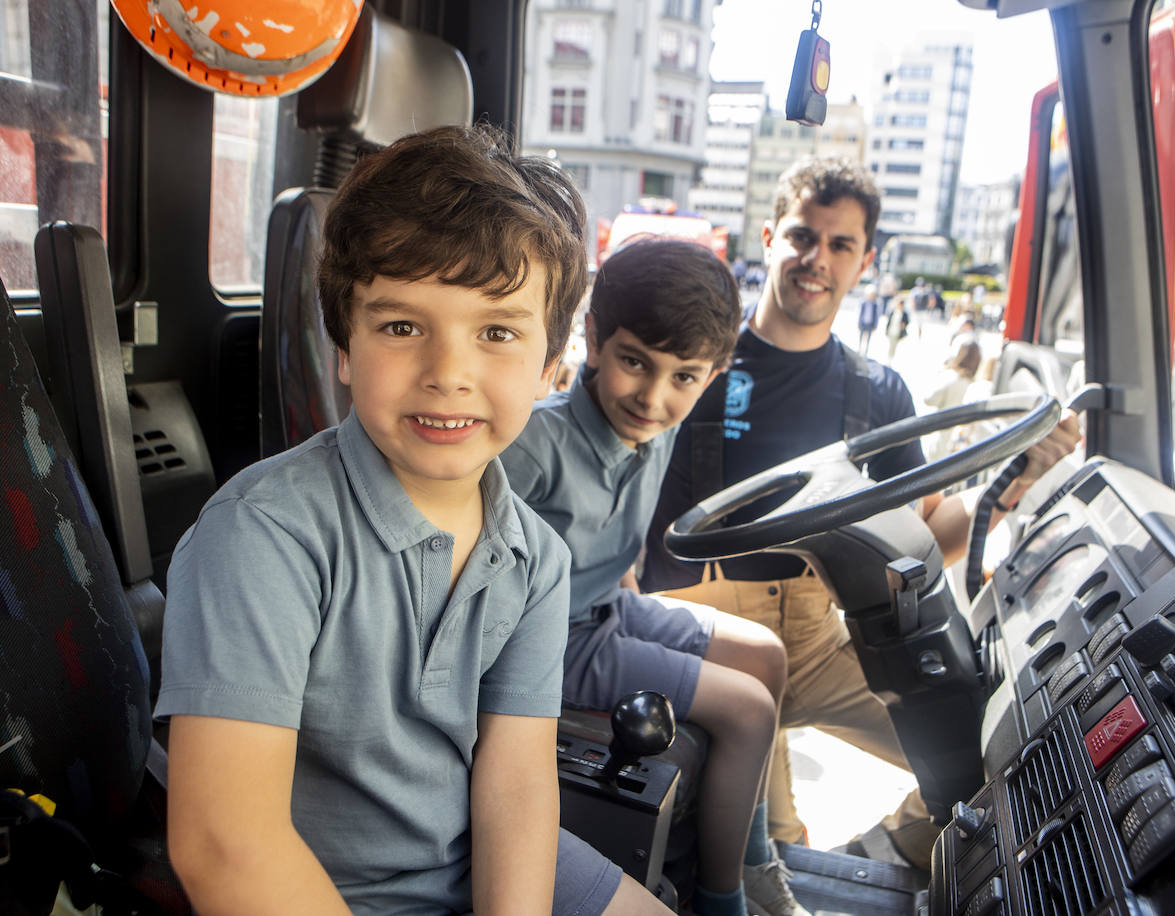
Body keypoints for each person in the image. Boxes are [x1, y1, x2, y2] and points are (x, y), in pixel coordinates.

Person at [157, 125, 670, 916]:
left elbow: (516, 784)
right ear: (343, 346)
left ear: (551, 368)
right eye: (401, 327)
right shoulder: (265, 536)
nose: (448, 374)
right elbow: (227, 844)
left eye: (497, 332)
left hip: (468, 855)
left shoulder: (537, 558)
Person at [639, 154, 1080, 872]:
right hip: (711, 635)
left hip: (820, 637)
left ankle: (879, 858)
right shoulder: (696, 365)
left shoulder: (878, 392)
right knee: (757, 856)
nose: (817, 260)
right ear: (769, 236)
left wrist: (1015, 481)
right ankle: (785, 863)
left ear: (864, 260)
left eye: (840, 244)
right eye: (802, 237)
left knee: (988, 760)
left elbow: (927, 539)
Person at [501, 238, 803, 916]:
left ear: (714, 372)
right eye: (635, 363)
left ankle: (753, 856)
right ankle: (722, 899)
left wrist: (645, 620)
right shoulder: (534, 447)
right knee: (748, 709)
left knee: (765, 654)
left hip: (608, 608)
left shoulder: (654, 429)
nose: (654, 397)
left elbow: (618, 561)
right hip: (548, 643)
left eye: (684, 377)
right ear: (594, 338)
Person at [923, 337, 982, 461]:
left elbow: (928, 399)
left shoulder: (950, 377)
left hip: (941, 440)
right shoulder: (975, 385)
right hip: (960, 448)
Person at [857, 283, 881, 356]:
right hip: (863, 322)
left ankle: (865, 351)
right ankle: (859, 349)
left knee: (868, 338)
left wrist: (875, 325)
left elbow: (876, 316)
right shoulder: (863, 303)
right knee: (861, 337)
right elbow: (860, 314)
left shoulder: (875, 304)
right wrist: (859, 323)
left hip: (870, 323)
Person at [885, 295, 910, 362]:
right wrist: (886, 330)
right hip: (891, 330)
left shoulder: (904, 314)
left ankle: (890, 358)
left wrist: (904, 325)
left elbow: (907, 322)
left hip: (898, 332)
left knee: (894, 345)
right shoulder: (893, 311)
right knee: (891, 344)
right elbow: (889, 321)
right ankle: (889, 357)